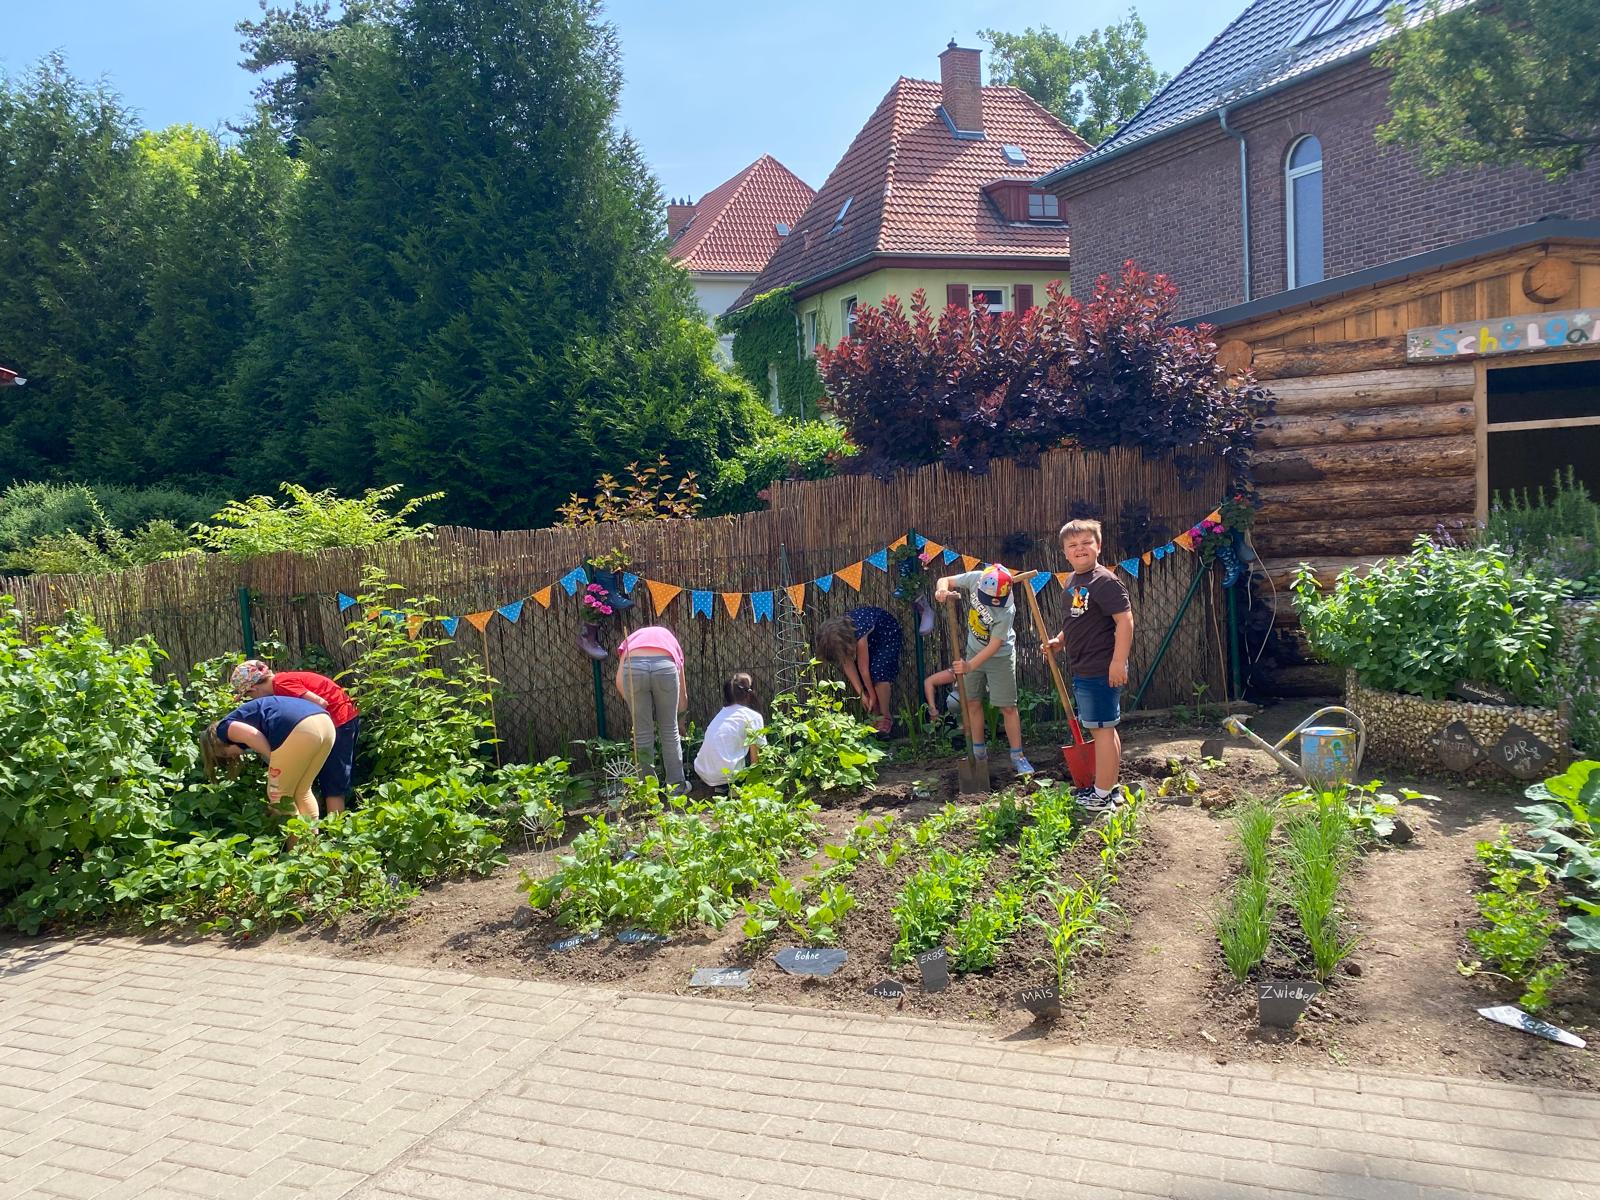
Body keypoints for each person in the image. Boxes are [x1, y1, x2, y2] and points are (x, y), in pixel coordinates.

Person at [1047, 519, 1134, 810]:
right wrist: (1060, 640)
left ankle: (1101, 794)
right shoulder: (1073, 581)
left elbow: (1125, 621)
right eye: (1073, 545)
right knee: (1106, 728)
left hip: (1101, 666)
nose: (1080, 549)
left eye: (1086, 543)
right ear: (1065, 553)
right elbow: (1077, 619)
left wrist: (1118, 662)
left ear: (1098, 546)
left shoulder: (1104, 581)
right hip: (1084, 666)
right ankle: (1111, 787)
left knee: (1102, 730)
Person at [933, 564, 1033, 777]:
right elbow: (945, 579)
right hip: (973, 650)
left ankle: (1018, 756)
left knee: (1008, 707)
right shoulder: (976, 578)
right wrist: (942, 590)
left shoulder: (1007, 610)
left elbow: (994, 645)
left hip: (1000, 657)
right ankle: (979, 754)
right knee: (972, 702)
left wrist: (970, 666)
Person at [231, 659, 360, 815]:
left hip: (339, 720)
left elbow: (320, 703)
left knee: (333, 780)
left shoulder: (282, 684)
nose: (252, 700)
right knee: (320, 776)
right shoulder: (280, 683)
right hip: (335, 721)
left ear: (254, 688)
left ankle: (337, 833)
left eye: (248, 695)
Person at [201, 693, 337, 823]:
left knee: (278, 795)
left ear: (218, 742)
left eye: (225, 754)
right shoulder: (244, 717)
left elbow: (252, 735)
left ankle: (296, 845)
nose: (231, 756)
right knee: (302, 791)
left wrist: (275, 760)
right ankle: (312, 843)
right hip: (324, 722)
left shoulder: (223, 729)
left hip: (301, 727)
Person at [614, 624, 687, 791]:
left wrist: (635, 706)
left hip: (634, 668)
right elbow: (683, 691)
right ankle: (676, 789)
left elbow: (619, 682)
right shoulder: (670, 641)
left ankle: (648, 792)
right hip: (665, 667)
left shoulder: (630, 643)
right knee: (670, 730)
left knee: (642, 734)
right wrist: (681, 720)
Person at [816, 606, 903, 735]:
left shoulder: (860, 633)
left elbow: (864, 669)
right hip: (871, 641)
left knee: (879, 673)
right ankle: (875, 716)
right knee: (868, 683)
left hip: (886, 635)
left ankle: (885, 716)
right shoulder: (840, 638)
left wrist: (872, 695)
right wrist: (862, 694)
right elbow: (847, 663)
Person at [693, 672, 766, 788]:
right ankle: (732, 787)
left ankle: (721, 787)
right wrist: (756, 782)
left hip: (703, 772)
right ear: (749, 693)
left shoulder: (721, 715)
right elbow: (757, 753)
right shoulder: (752, 716)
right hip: (728, 776)